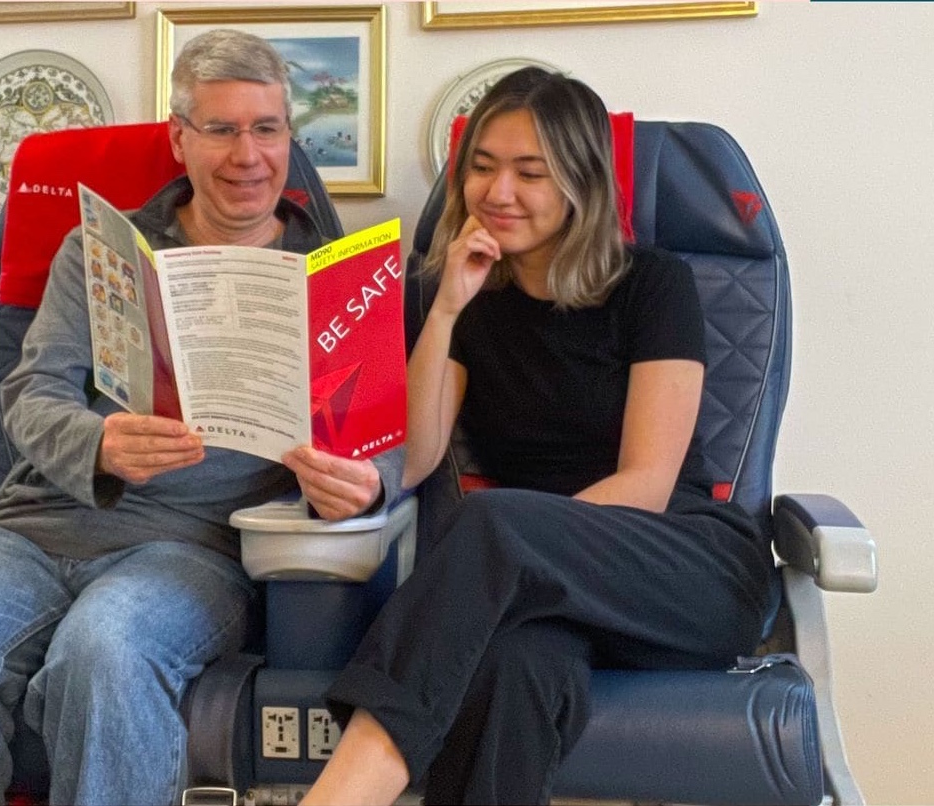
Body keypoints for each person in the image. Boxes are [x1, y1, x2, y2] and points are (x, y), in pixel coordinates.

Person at [0, 29, 402, 806]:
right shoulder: (101, 252)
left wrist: (365, 487)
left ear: (289, 136)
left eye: (266, 128)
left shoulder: (336, 275)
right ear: (181, 138)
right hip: (38, 527)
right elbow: (30, 394)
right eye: (220, 129)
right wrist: (99, 442)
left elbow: (385, 442)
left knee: (103, 651)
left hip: (195, 546)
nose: (247, 155)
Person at [300, 67, 774, 806]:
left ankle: (338, 795)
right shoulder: (457, 295)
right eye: (482, 168)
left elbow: (646, 485)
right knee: (512, 668)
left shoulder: (652, 284)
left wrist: (519, 551)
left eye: (530, 173)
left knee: (493, 522)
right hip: (537, 588)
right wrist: (446, 309)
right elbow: (418, 458)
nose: (498, 192)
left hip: (681, 568)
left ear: (579, 181)